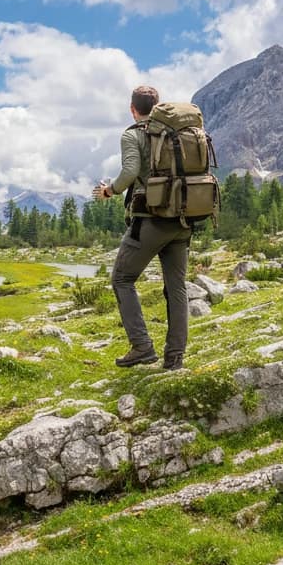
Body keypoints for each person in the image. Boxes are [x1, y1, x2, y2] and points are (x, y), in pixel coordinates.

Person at [92, 85, 192, 371]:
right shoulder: (176, 133)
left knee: (122, 278)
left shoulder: (133, 134)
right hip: (183, 220)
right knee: (177, 288)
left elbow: (130, 171)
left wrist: (109, 191)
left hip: (151, 221)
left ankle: (142, 346)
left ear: (132, 108)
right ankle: (174, 359)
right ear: (158, 105)